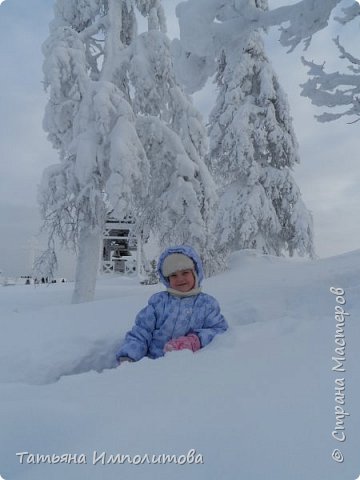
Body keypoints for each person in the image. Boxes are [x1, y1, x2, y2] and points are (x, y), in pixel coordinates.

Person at [116, 245, 228, 364]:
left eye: (185, 273)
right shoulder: (159, 302)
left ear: (195, 273)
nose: (180, 279)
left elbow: (219, 330)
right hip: (152, 365)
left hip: (189, 366)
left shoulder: (207, 304)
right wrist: (129, 357)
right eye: (173, 275)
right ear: (167, 279)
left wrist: (195, 340)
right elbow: (142, 331)